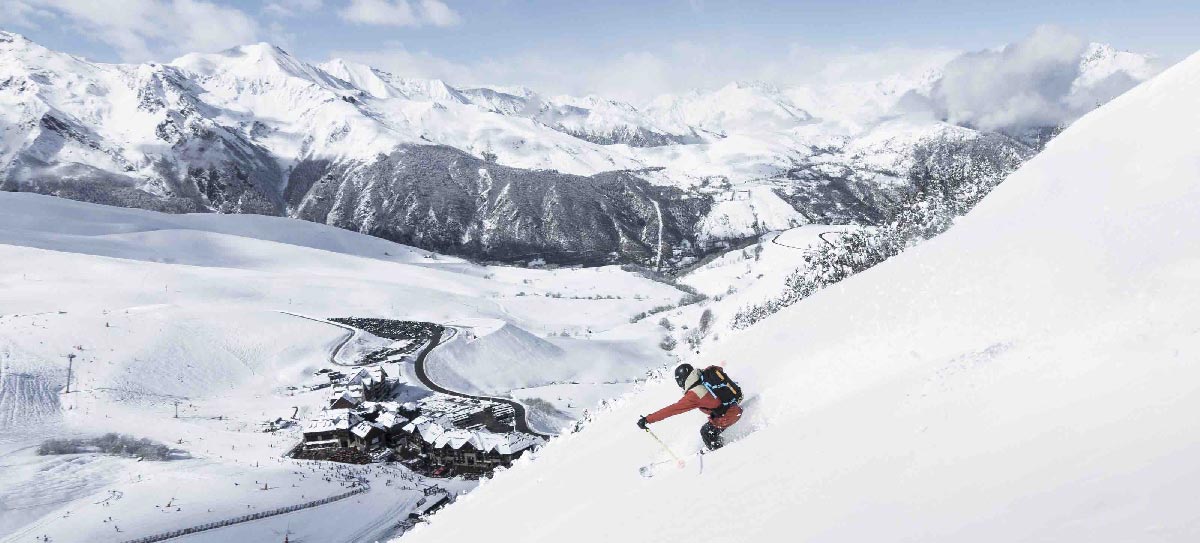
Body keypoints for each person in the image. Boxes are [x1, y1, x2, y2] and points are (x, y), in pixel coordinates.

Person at [637, 363, 742, 450]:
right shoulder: (704, 377)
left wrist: (648, 419)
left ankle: (719, 453)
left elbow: (671, 410)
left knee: (706, 432)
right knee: (709, 427)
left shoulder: (693, 395)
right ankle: (719, 446)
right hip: (733, 408)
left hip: (729, 416)